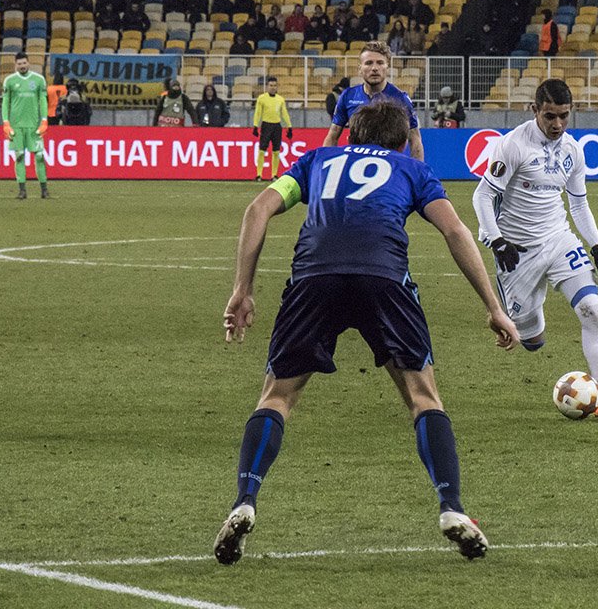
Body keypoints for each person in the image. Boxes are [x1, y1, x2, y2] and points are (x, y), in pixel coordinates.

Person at [215, 101, 518, 565]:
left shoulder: (318, 160)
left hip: (314, 278)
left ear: (351, 135)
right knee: (423, 397)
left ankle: (244, 501)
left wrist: (243, 289)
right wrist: (494, 307)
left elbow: (258, 209)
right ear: (401, 143)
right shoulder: (412, 169)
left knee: (277, 397)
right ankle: (452, 507)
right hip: (384, 278)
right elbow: (455, 231)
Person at [471, 78, 598, 420]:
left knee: (591, 308)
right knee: (532, 341)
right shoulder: (513, 145)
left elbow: (578, 203)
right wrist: (497, 240)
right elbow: (482, 195)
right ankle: (516, 315)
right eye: (550, 116)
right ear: (535, 110)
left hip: (558, 239)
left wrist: (597, 246)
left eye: (564, 116)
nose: (558, 124)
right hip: (516, 251)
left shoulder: (573, 150)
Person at [325, 41, 424, 160]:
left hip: (388, 164)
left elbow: (415, 139)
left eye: (380, 63)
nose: (375, 68)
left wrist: (418, 169)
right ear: (360, 68)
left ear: (387, 67)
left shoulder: (400, 98)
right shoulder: (348, 96)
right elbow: (333, 135)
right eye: (369, 63)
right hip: (357, 164)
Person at [1, 51, 50, 199]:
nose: (22, 66)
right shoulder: (9, 81)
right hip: (16, 126)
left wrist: (44, 120)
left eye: (24, 63)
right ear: (15, 65)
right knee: (20, 156)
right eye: (19, 64)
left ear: (28, 63)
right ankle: (22, 190)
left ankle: (44, 190)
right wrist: (6, 123)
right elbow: (5, 102)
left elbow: (43, 100)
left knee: (40, 156)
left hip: (34, 125)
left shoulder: (39, 79)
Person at [253, 76, 293, 180]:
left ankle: (274, 174)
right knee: (262, 150)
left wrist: (289, 126)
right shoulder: (262, 98)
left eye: (275, 85)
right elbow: (258, 112)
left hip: (277, 126)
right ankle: (259, 174)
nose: (273, 87)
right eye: (271, 85)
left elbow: (284, 113)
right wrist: (255, 125)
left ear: (277, 87)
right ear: (267, 86)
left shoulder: (280, 99)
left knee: (276, 151)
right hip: (266, 125)